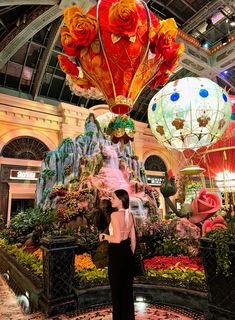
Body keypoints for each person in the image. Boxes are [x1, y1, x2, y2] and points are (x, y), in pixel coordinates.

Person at [99, 189, 136, 320]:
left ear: (121, 200)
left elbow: (117, 239)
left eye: (113, 198)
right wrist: (130, 256)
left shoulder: (115, 215)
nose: (111, 200)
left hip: (116, 254)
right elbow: (133, 239)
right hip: (127, 254)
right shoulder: (130, 215)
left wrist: (104, 236)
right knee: (127, 291)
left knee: (116, 291)